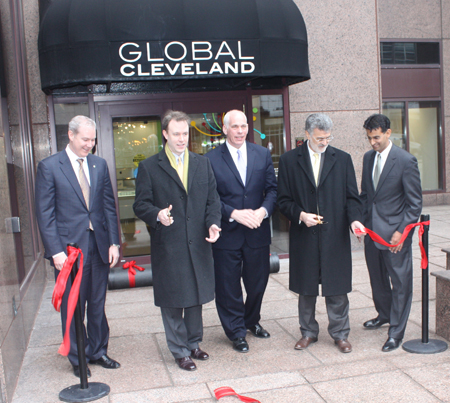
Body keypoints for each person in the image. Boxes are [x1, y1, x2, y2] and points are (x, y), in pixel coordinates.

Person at [133, 110, 221, 371]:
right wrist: (157, 215)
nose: (182, 139)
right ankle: (179, 350)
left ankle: (194, 343)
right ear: (165, 134)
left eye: (185, 133)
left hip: (198, 242)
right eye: (176, 134)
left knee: (195, 295)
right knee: (173, 299)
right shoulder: (150, 166)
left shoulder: (202, 163)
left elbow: (212, 200)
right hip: (169, 244)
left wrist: (214, 223)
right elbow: (140, 205)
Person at [35, 115, 121, 377]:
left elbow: (108, 206)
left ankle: (98, 351)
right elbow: (45, 213)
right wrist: (56, 252)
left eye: (93, 139)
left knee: (97, 302)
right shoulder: (49, 167)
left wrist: (114, 242)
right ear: (71, 136)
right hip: (69, 252)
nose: (90, 144)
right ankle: (77, 358)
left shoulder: (98, 164)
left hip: (98, 246)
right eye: (85, 139)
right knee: (73, 306)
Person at [277, 113, 364, 354]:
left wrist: (355, 221)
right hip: (304, 236)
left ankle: (340, 334)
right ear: (306, 134)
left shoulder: (342, 159)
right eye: (319, 138)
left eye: (327, 138)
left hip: (334, 234)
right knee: (306, 289)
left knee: (336, 287)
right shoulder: (288, 160)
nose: (324, 142)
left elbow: (352, 198)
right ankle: (308, 332)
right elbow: (283, 200)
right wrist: (300, 215)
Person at [205, 109, 277, 353]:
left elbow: (272, 190)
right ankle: (236, 331)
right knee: (228, 287)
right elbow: (209, 197)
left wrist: (263, 212)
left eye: (244, 126)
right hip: (227, 234)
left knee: (258, 283)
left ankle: (251, 320)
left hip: (257, 232)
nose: (240, 131)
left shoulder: (262, 154)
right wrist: (233, 213)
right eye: (235, 126)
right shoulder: (210, 159)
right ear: (225, 129)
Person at [360, 113, 422, 352]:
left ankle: (396, 332)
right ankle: (384, 314)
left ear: (388, 132)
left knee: (400, 283)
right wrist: (362, 223)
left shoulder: (406, 160)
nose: (373, 142)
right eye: (369, 138)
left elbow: (414, 203)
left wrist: (401, 232)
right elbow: (367, 195)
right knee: (377, 281)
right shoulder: (368, 158)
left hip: (395, 236)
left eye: (376, 137)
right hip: (371, 233)